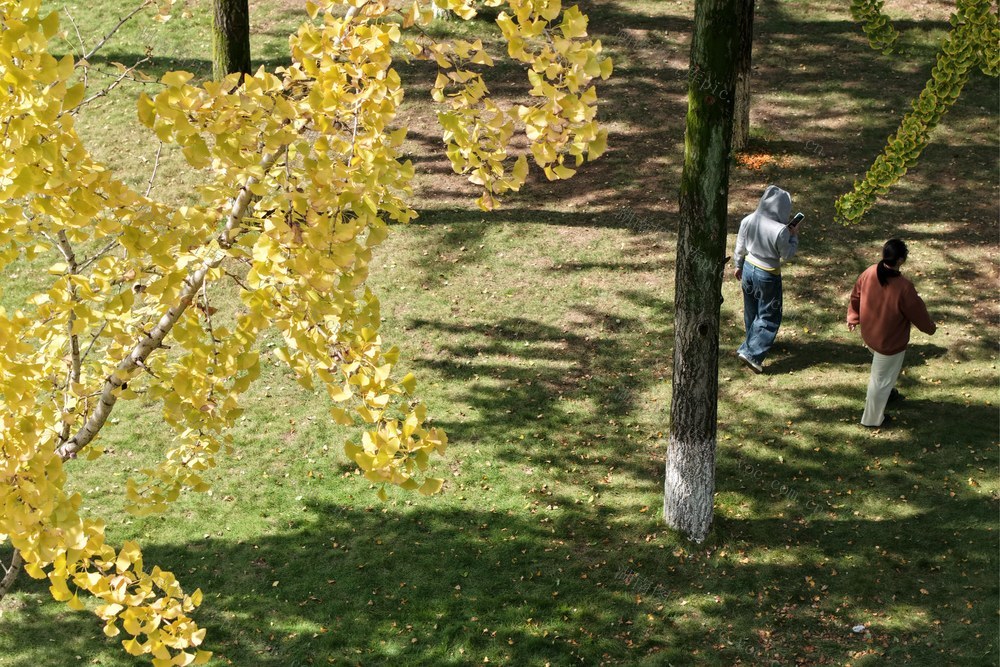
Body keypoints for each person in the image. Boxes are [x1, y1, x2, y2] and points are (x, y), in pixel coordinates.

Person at [847, 239, 936, 428]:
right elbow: (917, 312)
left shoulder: (870, 272)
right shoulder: (903, 287)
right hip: (888, 343)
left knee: (884, 375)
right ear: (901, 260)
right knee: (879, 381)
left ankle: (889, 394)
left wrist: (853, 317)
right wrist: (930, 328)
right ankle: (871, 420)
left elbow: (856, 295)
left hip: (870, 335)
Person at [732, 185, 800, 373]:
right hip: (768, 274)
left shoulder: (748, 219)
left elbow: (740, 246)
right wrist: (794, 236)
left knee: (751, 309)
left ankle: (752, 342)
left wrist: (738, 265)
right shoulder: (781, 230)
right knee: (770, 313)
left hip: (748, 268)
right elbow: (787, 254)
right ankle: (752, 353)